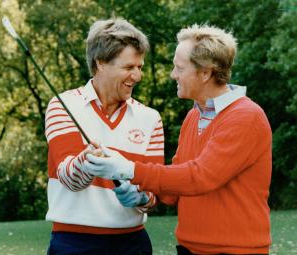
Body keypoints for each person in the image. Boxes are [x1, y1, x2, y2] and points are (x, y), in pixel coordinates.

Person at [83, 24, 272, 255]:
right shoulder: (194, 116)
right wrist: (141, 194)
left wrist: (129, 169)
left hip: (235, 251)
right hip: (189, 249)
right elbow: (175, 189)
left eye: (179, 68)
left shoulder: (245, 117)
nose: (173, 74)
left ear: (205, 73)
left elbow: (200, 177)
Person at [44, 18, 164, 255]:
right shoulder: (62, 105)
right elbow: (70, 180)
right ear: (101, 63)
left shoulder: (150, 118)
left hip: (133, 244)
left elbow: (154, 192)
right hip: (75, 243)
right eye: (129, 67)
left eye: (139, 67)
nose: (137, 76)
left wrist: (141, 197)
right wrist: (87, 161)